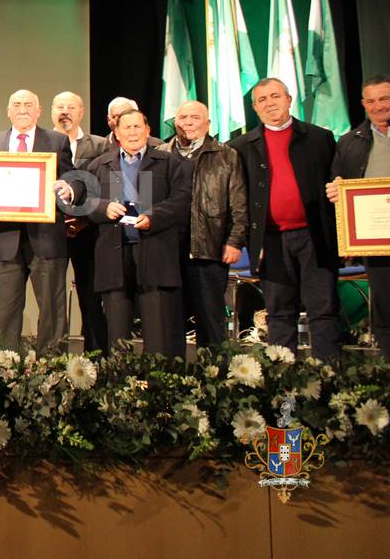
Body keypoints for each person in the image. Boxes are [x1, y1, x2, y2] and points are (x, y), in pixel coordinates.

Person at [228, 78, 340, 361]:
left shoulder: (319, 138)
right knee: (279, 313)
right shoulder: (240, 147)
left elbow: (336, 183)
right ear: (255, 108)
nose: (270, 103)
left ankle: (328, 382)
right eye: (262, 99)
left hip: (315, 238)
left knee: (323, 310)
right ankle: (285, 388)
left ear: (289, 100)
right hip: (270, 241)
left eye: (275, 96)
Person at [86, 109, 192, 357]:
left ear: (148, 131)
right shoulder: (100, 165)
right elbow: (86, 201)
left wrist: (153, 218)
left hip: (155, 254)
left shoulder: (169, 163)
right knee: (117, 336)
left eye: (137, 127)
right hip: (114, 256)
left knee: (158, 334)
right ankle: (121, 391)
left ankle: (158, 390)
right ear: (117, 134)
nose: (132, 132)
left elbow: (182, 200)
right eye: (127, 128)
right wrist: (104, 207)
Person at [0, 89, 76, 353]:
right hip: (6, 240)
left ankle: (52, 369)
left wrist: (67, 188)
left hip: (46, 239)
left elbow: (73, 179)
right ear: (8, 111)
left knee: (53, 312)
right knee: (7, 313)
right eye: (17, 105)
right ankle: (5, 372)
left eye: (28, 104)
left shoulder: (57, 141)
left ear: (39, 110)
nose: (22, 109)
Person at [158, 99, 248, 347]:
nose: (188, 122)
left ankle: (212, 379)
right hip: (167, 251)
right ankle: (172, 380)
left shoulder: (226, 155)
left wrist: (235, 240)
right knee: (170, 322)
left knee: (210, 320)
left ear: (208, 123)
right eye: (183, 117)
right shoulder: (160, 154)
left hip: (208, 249)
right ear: (175, 122)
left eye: (195, 117)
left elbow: (239, 204)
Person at [328, 74, 390, 358]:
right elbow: (337, 181)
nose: (379, 106)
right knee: (385, 311)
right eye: (372, 101)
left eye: (385, 99)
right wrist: (335, 191)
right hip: (375, 243)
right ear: (364, 104)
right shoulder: (350, 142)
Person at [52, 90, 110, 353]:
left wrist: (84, 221)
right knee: (52, 296)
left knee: (90, 297)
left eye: (71, 107)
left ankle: (94, 356)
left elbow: (107, 188)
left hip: (89, 232)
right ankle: (56, 357)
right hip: (51, 232)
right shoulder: (42, 144)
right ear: (51, 111)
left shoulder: (101, 145)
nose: (65, 111)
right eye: (60, 106)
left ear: (82, 112)